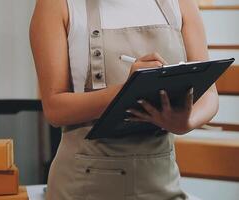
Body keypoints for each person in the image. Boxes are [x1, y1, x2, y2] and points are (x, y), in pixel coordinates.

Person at [30, 0, 218, 199]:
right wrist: (128, 90)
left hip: (162, 183)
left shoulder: (180, 4)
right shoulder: (56, 5)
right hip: (83, 187)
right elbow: (54, 109)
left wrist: (187, 121)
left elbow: (209, 94)